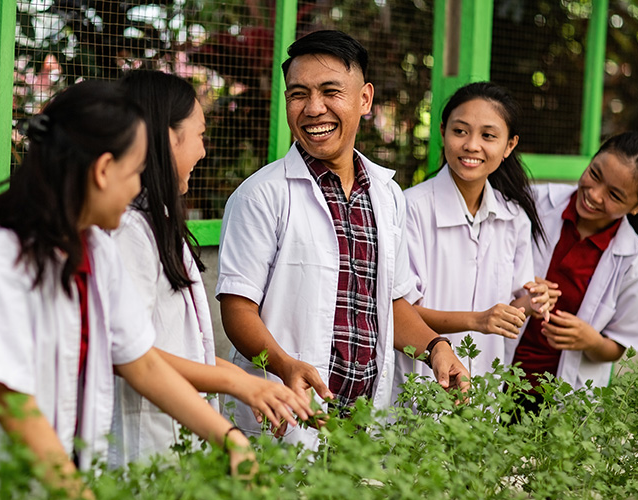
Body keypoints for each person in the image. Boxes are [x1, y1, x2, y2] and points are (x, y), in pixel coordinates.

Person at [0, 80, 255, 496]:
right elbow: (12, 399)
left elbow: (143, 362)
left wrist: (228, 438)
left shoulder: (96, 250)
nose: (140, 188)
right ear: (103, 171)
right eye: (135, 172)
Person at [216, 30, 469, 446]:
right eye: (298, 94)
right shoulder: (261, 195)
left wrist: (436, 347)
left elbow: (391, 301)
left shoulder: (386, 194)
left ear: (364, 99)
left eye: (330, 91)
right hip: (287, 416)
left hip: (364, 423)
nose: (313, 109)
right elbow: (237, 309)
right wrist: (283, 365)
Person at [110, 70, 313, 467]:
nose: (203, 152)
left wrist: (258, 387)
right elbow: (129, 354)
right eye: (200, 135)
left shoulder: (158, 221)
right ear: (170, 138)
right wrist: (236, 381)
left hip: (174, 446)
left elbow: (182, 350)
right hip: (139, 452)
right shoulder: (127, 230)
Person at [394, 82, 554, 388]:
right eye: (460, 131)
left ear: (510, 145)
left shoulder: (514, 218)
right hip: (420, 387)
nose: (471, 145)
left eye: (489, 136)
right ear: (442, 132)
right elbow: (401, 312)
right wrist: (477, 320)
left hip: (484, 389)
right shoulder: (409, 207)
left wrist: (531, 303)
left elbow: (508, 308)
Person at [510, 130, 638, 411]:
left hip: (559, 397)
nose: (594, 195)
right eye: (595, 175)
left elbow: (619, 344)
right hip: (497, 374)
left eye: (614, 195)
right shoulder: (533, 202)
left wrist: (589, 340)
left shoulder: (636, 261)